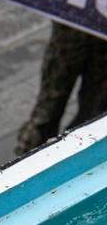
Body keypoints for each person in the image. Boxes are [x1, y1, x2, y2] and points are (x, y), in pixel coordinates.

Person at [16, 21, 107, 155]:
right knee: (50, 105)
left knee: (94, 109)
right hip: (77, 20)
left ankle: (78, 151)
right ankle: (33, 155)